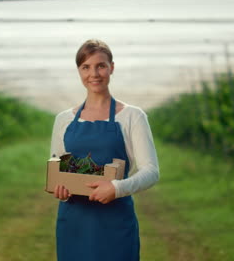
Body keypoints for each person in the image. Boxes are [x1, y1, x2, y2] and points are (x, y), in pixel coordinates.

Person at [49, 39, 160, 261]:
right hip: (74, 222)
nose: (94, 74)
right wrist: (59, 190)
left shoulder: (132, 116)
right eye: (86, 67)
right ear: (79, 71)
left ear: (112, 67)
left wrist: (116, 188)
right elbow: (57, 167)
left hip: (115, 221)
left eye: (100, 65)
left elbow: (151, 171)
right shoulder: (64, 119)